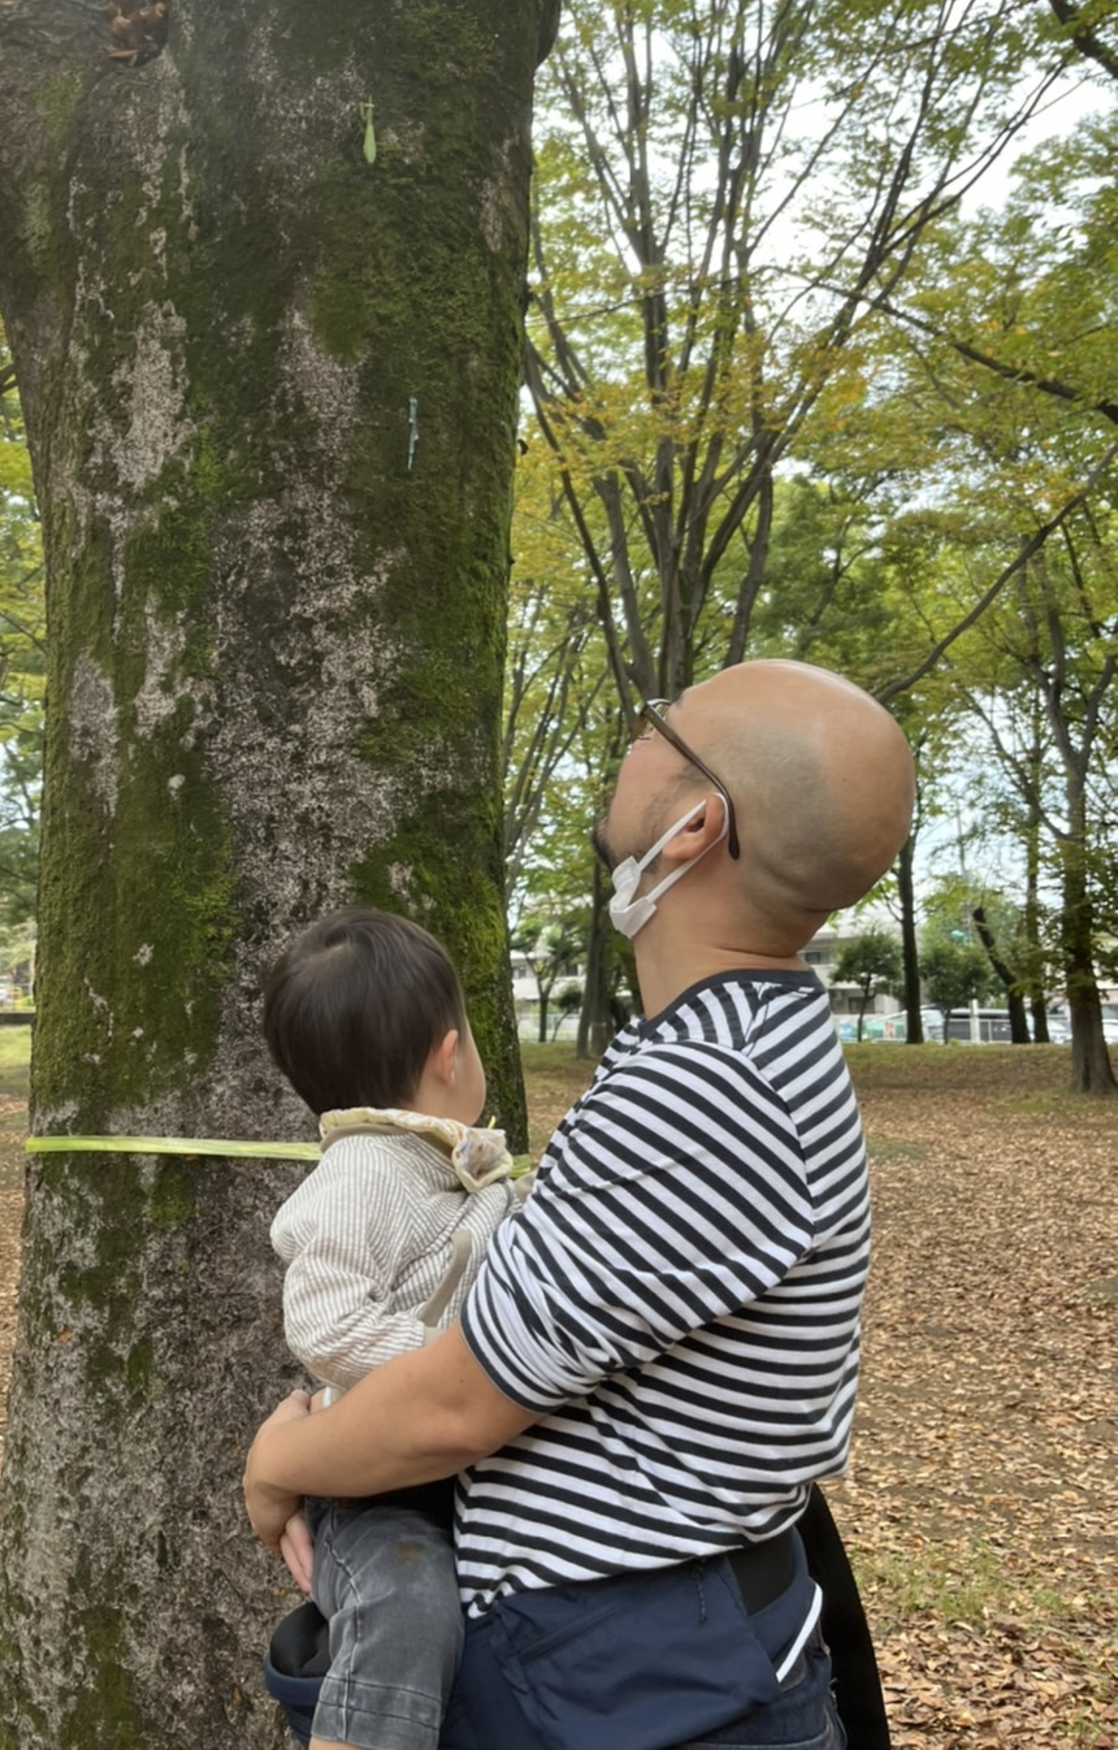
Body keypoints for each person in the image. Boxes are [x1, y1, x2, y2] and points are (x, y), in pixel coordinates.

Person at [246, 660, 916, 1750]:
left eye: (661, 726)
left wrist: (275, 1463)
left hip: (640, 1681)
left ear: (695, 826)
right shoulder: (724, 1042)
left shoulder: (709, 1085)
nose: (634, 739)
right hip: (643, 1658)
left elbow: (454, 1406)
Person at [262, 908, 520, 1750]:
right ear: (450, 1055)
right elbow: (322, 1319)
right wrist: (454, 1365)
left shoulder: (450, 1163)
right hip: (373, 1489)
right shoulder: (365, 1171)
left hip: (460, 1473)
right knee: (407, 1601)